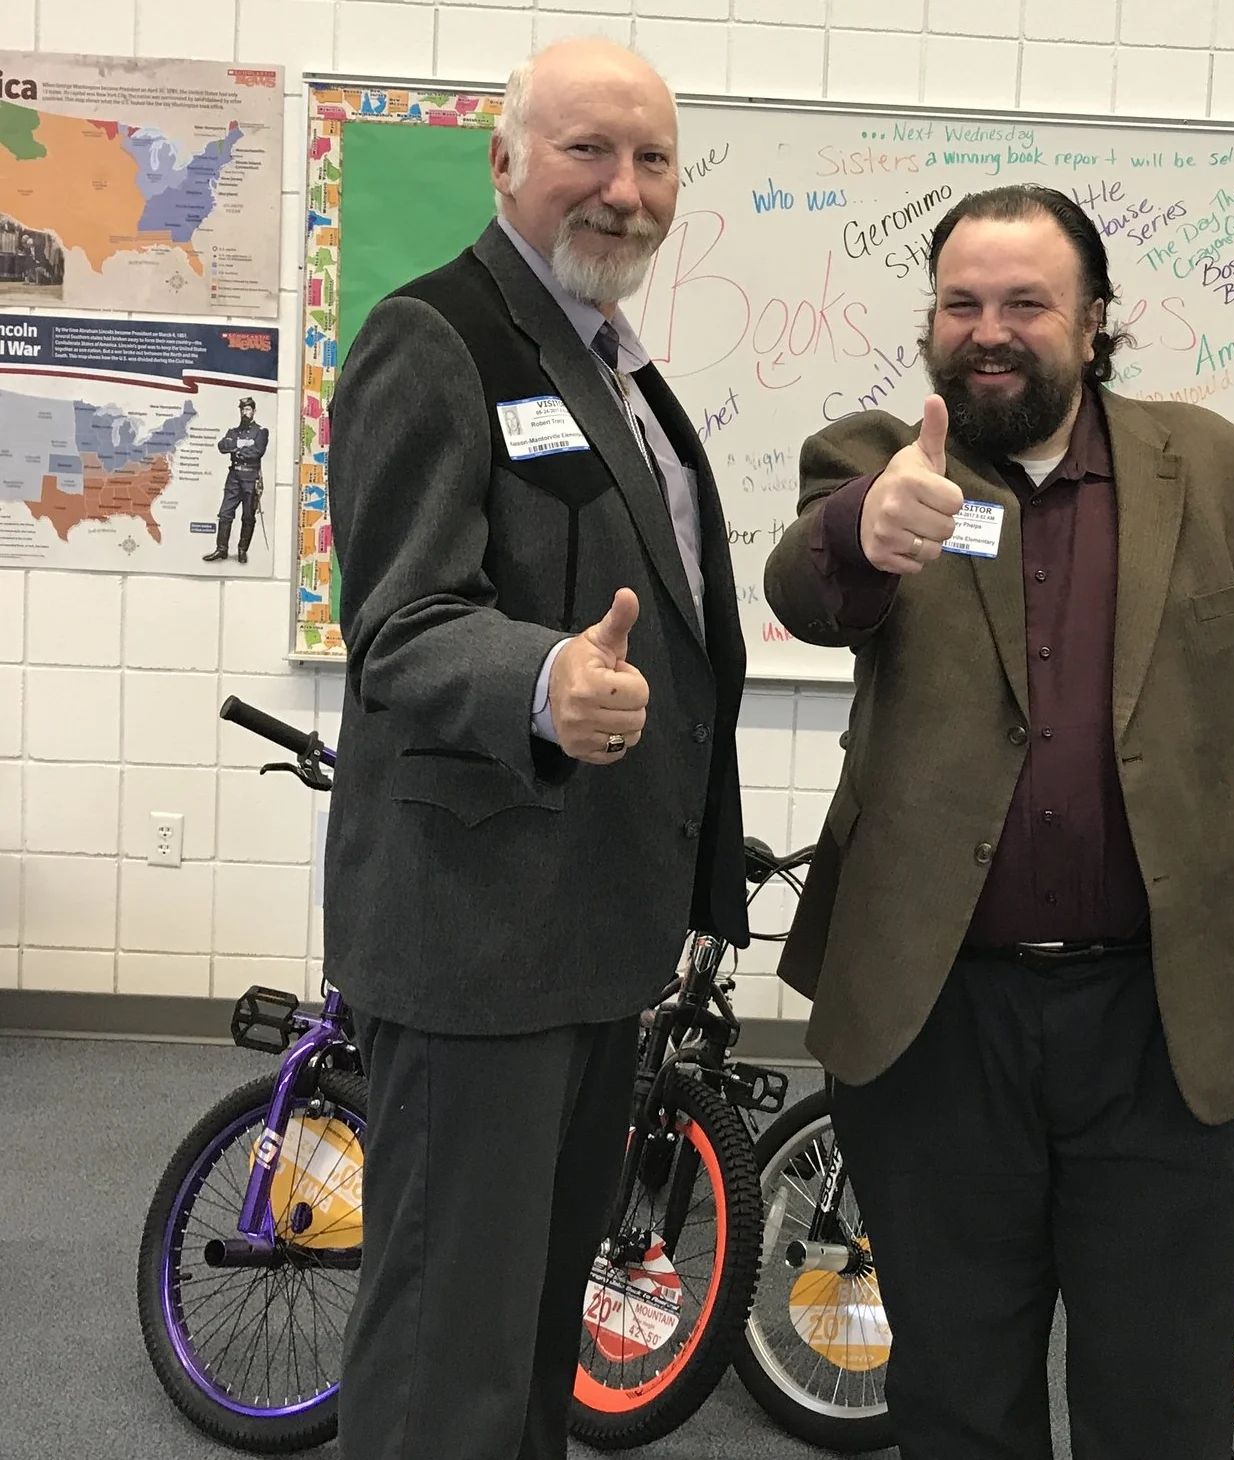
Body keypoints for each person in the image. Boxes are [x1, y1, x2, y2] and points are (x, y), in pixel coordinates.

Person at [763, 184, 1234, 1459]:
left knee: (1158, 1393)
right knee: (956, 1386)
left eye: (1025, 303)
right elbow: (804, 587)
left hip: (1166, 1011)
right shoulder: (877, 464)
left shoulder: (1222, 472)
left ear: (1093, 323)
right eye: (960, 304)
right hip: (938, 1022)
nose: (989, 331)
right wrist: (863, 533)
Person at [321, 38, 750, 1460]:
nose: (624, 189)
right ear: (503, 161)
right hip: (474, 941)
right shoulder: (437, 336)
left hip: (587, 937)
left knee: (525, 1347)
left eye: (652, 159)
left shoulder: (616, 365)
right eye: (587, 151)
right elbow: (401, 626)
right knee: (446, 1356)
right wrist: (541, 675)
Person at [203, 396, 268, 563]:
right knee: (225, 513)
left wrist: (237, 449)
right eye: (242, 409)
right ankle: (221, 549)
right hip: (234, 478)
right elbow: (222, 446)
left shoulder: (261, 431)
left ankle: (242, 550)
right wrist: (242, 444)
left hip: (251, 478)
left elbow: (257, 452)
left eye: (248, 409)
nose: (245, 412)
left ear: (254, 411)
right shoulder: (233, 432)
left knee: (248, 516)